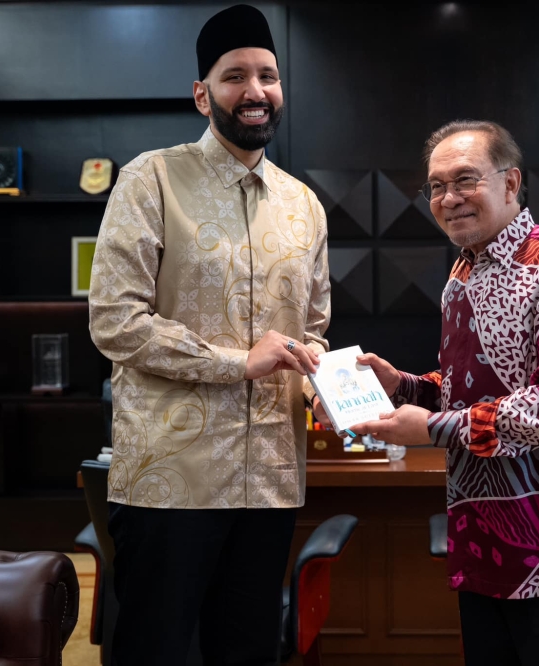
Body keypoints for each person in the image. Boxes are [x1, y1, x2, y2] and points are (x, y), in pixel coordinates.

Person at [87, 5, 330, 664]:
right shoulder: (151, 179)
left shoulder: (304, 205)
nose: (256, 91)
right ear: (203, 95)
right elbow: (114, 320)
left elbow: (312, 329)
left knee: (248, 653)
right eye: (235, 76)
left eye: (268, 76)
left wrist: (330, 379)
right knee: (155, 651)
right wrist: (237, 363)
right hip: (172, 479)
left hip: (271, 480)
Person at [350, 120, 539, 666]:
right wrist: (402, 386)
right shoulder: (461, 274)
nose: (449, 198)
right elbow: (465, 392)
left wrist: (431, 430)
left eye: (465, 180)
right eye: (437, 186)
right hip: (480, 538)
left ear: (510, 183)